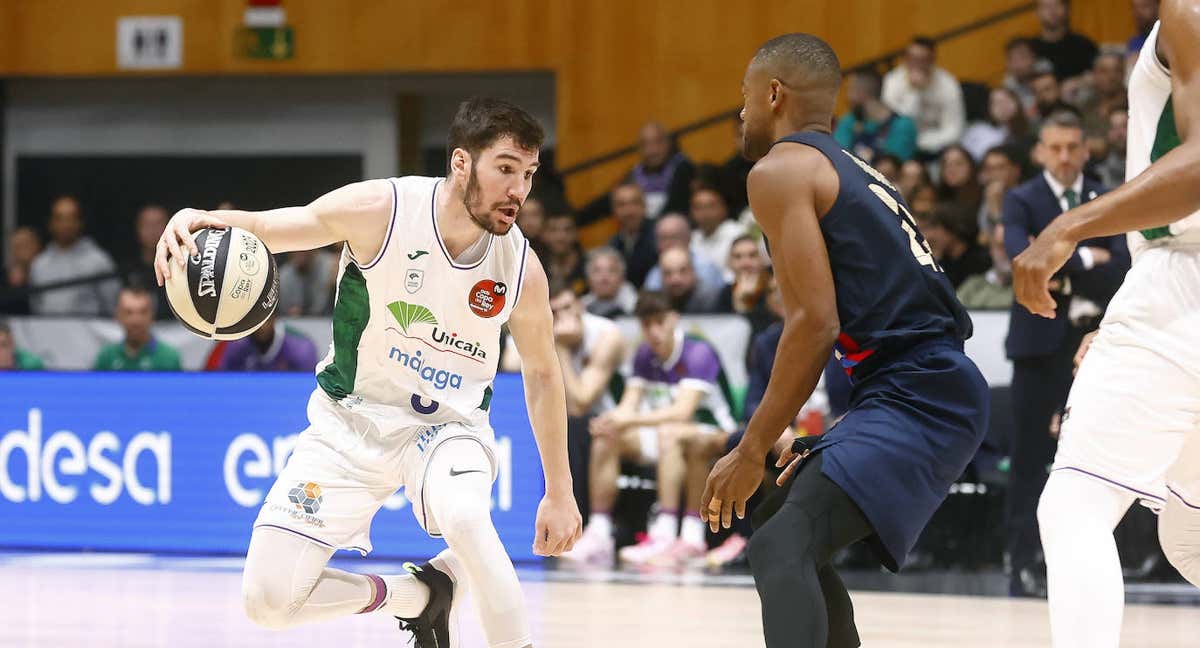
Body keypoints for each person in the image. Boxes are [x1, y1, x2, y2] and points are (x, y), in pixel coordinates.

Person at [154, 97, 581, 648]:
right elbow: (271, 228)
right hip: (348, 424)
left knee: (469, 521)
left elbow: (544, 375)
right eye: (505, 169)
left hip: (446, 429)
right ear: (460, 163)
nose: (518, 190)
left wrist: (560, 490)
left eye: (528, 174)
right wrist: (196, 220)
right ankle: (420, 597)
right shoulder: (383, 207)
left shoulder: (521, 268)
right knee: (268, 601)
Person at [701, 33, 988, 648]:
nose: (742, 112)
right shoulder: (853, 168)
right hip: (915, 384)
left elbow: (813, 322)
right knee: (784, 525)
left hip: (918, 390)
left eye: (745, 98)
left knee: (781, 545)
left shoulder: (778, 171)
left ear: (773, 94)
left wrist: (750, 448)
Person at [1013, 6, 1200, 644]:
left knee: (1074, 509)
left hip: (1184, 282)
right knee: (1190, 535)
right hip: (1173, 297)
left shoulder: (1188, 11)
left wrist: (1067, 225)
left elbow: (1198, 170)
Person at [1003, 109, 1129, 598]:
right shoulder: (1021, 198)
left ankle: (1090, 564)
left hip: (1096, 344)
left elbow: (1121, 265)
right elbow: (1024, 260)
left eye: (1072, 147)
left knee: (1095, 456)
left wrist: (1058, 254)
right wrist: (1085, 257)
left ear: (1085, 148)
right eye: (1054, 148)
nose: (1064, 157)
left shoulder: (1105, 196)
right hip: (1039, 346)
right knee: (1031, 457)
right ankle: (1022, 563)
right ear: (1040, 151)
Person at [578, 291, 736, 567]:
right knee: (608, 436)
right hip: (668, 437)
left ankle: (670, 534)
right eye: (646, 324)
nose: (653, 332)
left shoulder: (698, 352)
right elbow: (628, 405)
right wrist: (610, 419)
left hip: (713, 430)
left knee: (669, 431)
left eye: (660, 322)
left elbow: (682, 412)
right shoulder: (643, 355)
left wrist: (627, 420)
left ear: (674, 319)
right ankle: (599, 532)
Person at [28, 195, 121, 316]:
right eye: (59, 218)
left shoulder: (98, 260)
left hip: (89, 333)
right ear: (51, 223)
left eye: (71, 218)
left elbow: (113, 304)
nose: (65, 224)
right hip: (47, 332)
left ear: (80, 222)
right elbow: (35, 305)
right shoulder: (39, 263)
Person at [881, 36, 966, 158]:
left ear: (932, 60)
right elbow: (895, 122)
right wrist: (915, 92)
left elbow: (954, 130)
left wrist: (921, 143)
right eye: (911, 58)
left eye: (922, 60)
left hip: (936, 149)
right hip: (899, 146)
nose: (916, 65)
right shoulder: (892, 80)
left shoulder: (948, 84)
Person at [833, 67, 918, 162]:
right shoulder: (848, 121)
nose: (848, 97)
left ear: (862, 93)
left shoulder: (902, 125)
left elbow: (896, 163)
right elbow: (838, 156)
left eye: (851, 90)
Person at [93, 286, 182, 371]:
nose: (136, 320)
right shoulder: (106, 358)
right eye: (129, 312)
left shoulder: (168, 358)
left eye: (142, 312)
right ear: (118, 315)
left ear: (152, 315)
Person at [642, 213, 725, 292]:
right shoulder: (655, 272)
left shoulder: (705, 268)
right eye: (663, 238)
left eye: (673, 237)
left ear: (688, 238)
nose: (668, 243)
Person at [219, 312, 320, 372]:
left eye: (265, 320)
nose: (262, 327)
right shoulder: (237, 345)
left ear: (274, 318)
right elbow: (224, 379)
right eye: (256, 321)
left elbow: (307, 384)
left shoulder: (300, 348)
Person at [1031, 0, 1099, 82]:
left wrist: (1079, 82)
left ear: (1068, 10)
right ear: (1036, 13)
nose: (1052, 11)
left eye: (1057, 5)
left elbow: (1100, 75)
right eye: (1046, 6)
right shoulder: (1030, 49)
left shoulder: (1083, 44)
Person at [606, 183, 658, 288]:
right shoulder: (613, 244)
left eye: (635, 203)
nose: (629, 211)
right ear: (614, 210)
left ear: (644, 206)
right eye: (622, 205)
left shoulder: (659, 235)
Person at [689, 186, 745, 278]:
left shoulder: (737, 233)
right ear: (691, 212)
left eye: (711, 206)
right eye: (699, 207)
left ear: (724, 208)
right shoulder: (692, 238)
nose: (705, 212)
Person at [658, 247, 723, 314]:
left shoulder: (712, 298)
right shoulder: (658, 298)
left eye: (683, 271)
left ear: (693, 271)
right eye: (667, 273)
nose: (675, 279)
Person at [278, 247, 338, 316]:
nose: (300, 253)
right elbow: (285, 311)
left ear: (314, 249)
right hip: (298, 323)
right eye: (296, 250)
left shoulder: (331, 266)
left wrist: (333, 289)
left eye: (303, 249)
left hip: (327, 318)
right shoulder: (284, 275)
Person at [580, 247, 637, 318]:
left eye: (611, 271)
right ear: (588, 280)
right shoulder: (580, 307)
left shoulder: (637, 307)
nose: (604, 278)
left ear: (622, 279)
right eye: (597, 271)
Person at [3, 226, 41, 315]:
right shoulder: (4, 277)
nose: (23, 250)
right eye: (18, 246)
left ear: (38, 246)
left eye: (27, 244)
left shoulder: (48, 270)